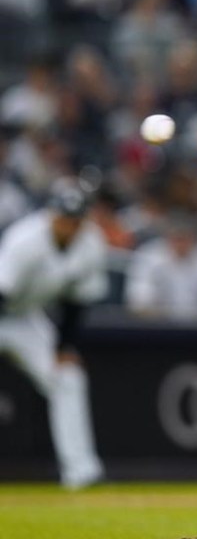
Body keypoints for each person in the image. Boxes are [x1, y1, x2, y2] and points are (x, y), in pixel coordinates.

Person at [0, 178, 108, 488]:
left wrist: (64, 348)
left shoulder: (91, 243)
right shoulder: (25, 240)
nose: (68, 225)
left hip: (24, 319)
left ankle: (81, 472)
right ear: (50, 213)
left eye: (75, 219)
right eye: (63, 217)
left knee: (69, 377)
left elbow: (78, 303)